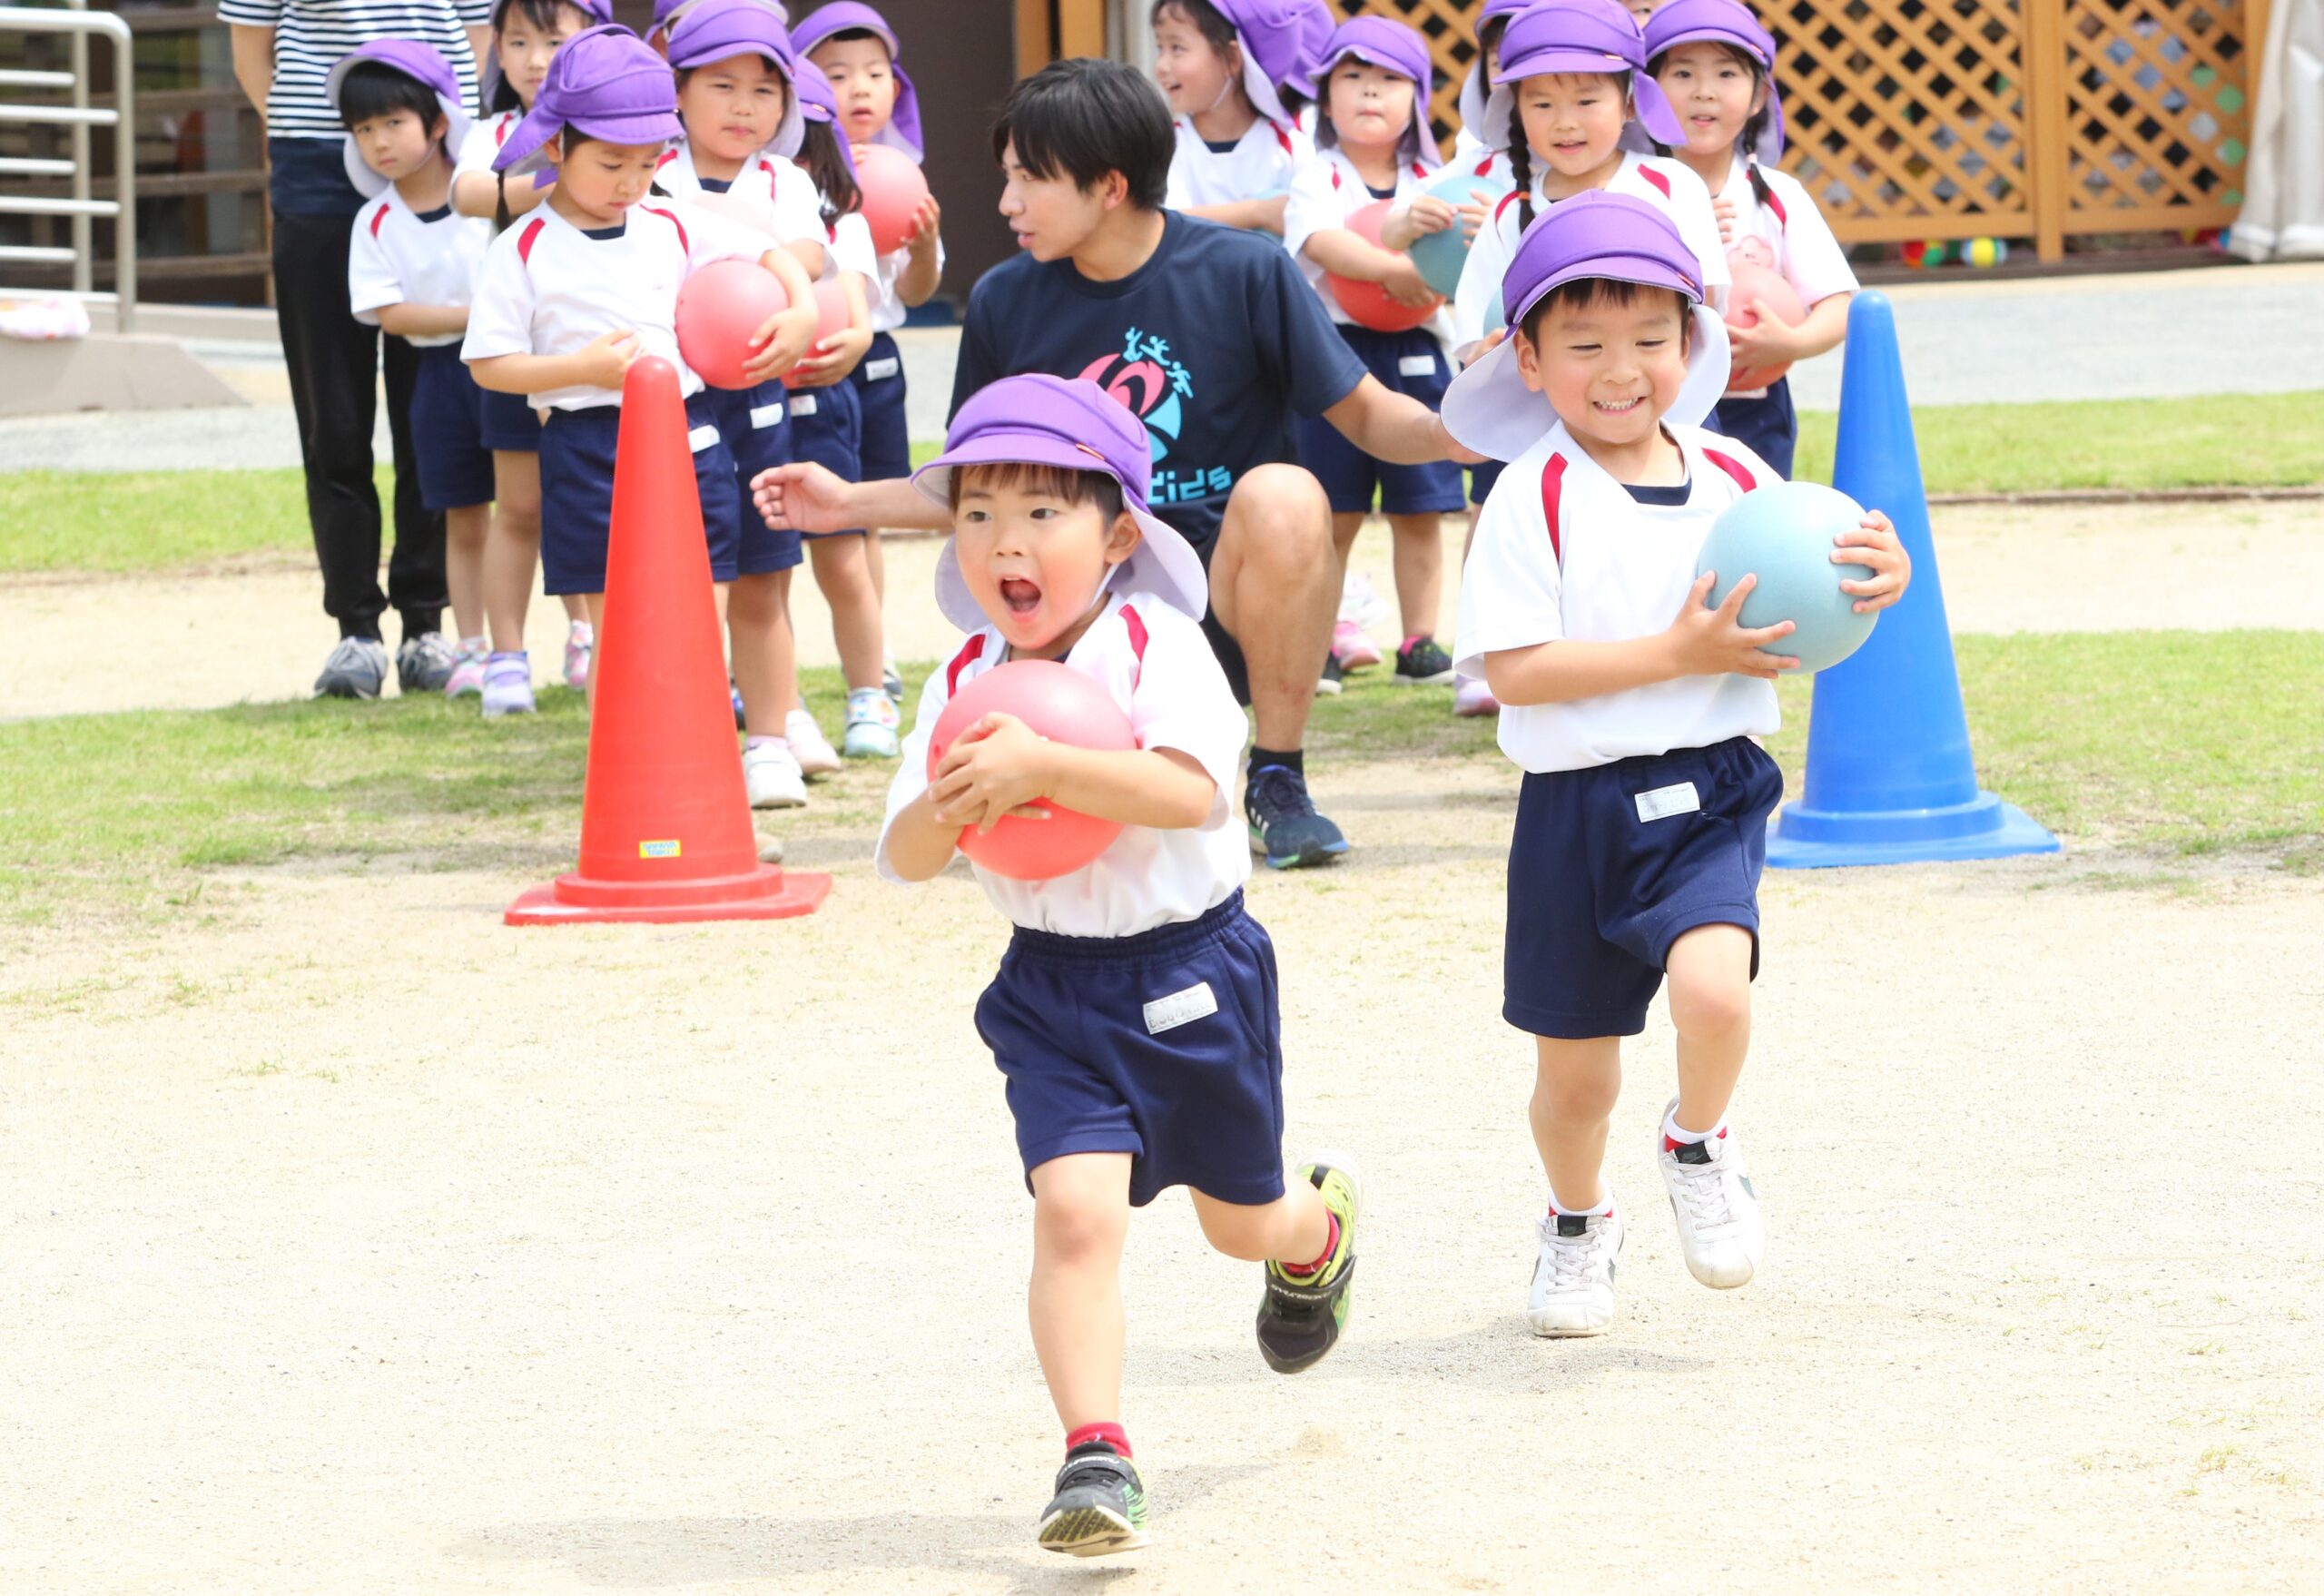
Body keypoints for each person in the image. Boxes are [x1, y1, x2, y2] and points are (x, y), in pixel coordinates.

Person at [754, 58, 1473, 871]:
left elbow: (1367, 412)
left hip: (1223, 595)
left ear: (1108, 185)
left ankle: (1278, 777)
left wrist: (1449, 431)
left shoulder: (1245, 270)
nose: (1007, 203)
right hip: (1081, 602)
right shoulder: (1003, 300)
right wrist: (844, 503)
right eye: (1007, 178)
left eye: (1029, 179)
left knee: (1288, 494)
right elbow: (975, 487)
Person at [877, 373, 1363, 1558]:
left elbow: (1188, 792)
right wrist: (950, 802)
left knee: (1240, 1223)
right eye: (979, 513)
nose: (1007, 541)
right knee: (1076, 1213)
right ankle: (1094, 1452)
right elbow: (903, 855)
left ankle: (1315, 1233)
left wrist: (1045, 767)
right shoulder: (962, 680)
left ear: (1117, 535)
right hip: (1049, 989)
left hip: (1189, 975)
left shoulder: (1161, 648)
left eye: (1043, 512)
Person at [1442, 193, 1910, 1337]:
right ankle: (1576, 1216)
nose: (1620, 370)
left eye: (1650, 338)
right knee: (1575, 1085)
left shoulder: (1739, 476)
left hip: (1708, 788)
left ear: (1691, 345)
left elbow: (1818, 584)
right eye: (1585, 345)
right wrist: (1676, 651)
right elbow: (1516, 671)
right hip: (1575, 811)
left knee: (1713, 989)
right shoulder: (1530, 495)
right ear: (1529, 360)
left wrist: (1877, 578)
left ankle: (1697, 1139)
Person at [459, 24, 820, 714]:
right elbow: (489, 365)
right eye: (611, 163)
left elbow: (769, 252)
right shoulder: (522, 248)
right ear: (558, 147)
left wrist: (801, 309)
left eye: (648, 162)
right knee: (619, 626)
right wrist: (578, 369)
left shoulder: (670, 220)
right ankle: (618, 766)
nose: (630, 182)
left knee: (701, 610)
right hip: (588, 447)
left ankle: (702, 751)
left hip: (691, 436)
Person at [223, 0, 490, 699]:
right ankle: (356, 631)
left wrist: (434, 133)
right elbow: (251, 52)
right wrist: (345, 130)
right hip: (319, 160)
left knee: (434, 401)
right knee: (332, 414)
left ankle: (426, 623)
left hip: (436, 154)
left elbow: (476, 39)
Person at [1283, 15, 1465, 692]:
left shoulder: (1435, 179)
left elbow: (1461, 257)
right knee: (1335, 511)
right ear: (1325, 97)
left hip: (1417, 351)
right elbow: (1320, 243)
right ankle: (1319, 639)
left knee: (1421, 506)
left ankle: (1420, 641)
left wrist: (1429, 276)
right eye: (1352, 77)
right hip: (1332, 351)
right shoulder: (1317, 176)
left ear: (1416, 99)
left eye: (1388, 79)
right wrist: (1394, 268)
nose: (1368, 91)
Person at [449, 0, 610, 713]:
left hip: (602, 361)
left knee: (591, 508)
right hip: (520, 353)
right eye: (517, 42)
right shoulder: (494, 132)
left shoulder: (617, 131)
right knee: (517, 507)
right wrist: (554, 176)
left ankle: (589, 637)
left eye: (552, 39)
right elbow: (466, 192)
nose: (535, 58)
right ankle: (507, 657)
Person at [333, 43, 496, 704]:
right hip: (438, 376)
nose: (379, 142)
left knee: (532, 506)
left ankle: (578, 636)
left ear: (437, 122)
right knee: (463, 515)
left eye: (394, 123)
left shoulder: (487, 198)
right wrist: (473, 315)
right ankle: (473, 647)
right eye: (364, 129)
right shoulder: (374, 220)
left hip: (508, 371)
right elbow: (391, 316)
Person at [793, 2, 945, 707]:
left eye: (875, 73)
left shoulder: (904, 177)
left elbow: (916, 291)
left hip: (875, 355)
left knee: (868, 509)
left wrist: (922, 247)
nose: (859, 87)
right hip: (798, 359)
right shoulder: (785, 178)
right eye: (838, 73)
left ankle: (873, 658)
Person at [1648, 0, 1856, 478]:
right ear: (1649, 93)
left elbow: (1839, 304)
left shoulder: (1778, 196)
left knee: (1755, 517)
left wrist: (1790, 342)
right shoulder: (1633, 191)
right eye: (1683, 74)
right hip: (1653, 403)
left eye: (1726, 74)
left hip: (1754, 404)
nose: (1704, 92)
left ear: (1760, 95)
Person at [775, 57, 895, 765]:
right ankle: (780, 706)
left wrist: (849, 341)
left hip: (819, 404)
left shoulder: (841, 224)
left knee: (842, 560)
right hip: (748, 405)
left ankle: (869, 693)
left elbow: (857, 320)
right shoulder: (723, 210)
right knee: (763, 571)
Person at [1151, 0, 1313, 235]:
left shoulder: (1290, 147)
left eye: (1177, 47)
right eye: (1160, 48)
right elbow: (1166, 222)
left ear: (1232, 58)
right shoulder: (1165, 146)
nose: (1161, 66)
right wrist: (1258, 212)